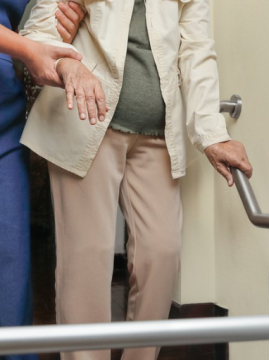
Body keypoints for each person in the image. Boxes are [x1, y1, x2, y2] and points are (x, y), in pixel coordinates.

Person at [20, 1, 253, 360]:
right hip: (84, 118)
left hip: (160, 135)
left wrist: (212, 135)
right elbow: (39, 30)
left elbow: (197, 50)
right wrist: (67, 65)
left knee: (162, 254)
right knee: (86, 261)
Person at [0, 2, 86, 360]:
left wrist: (68, 15)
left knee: (12, 267)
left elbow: (37, 11)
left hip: (3, 122)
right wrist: (25, 48)